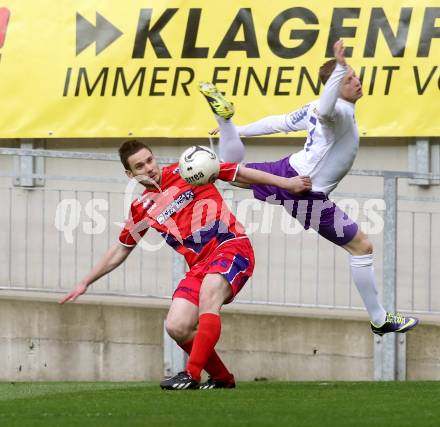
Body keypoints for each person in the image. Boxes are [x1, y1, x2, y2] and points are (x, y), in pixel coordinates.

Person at [198, 39, 418, 336]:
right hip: (305, 191)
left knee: (229, 172)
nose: (357, 81)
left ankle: (225, 126)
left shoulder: (318, 107)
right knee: (361, 247)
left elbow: (279, 122)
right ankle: (379, 319)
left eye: (354, 75)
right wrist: (339, 67)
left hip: (290, 171)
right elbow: (327, 109)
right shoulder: (335, 110)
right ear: (335, 85)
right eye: (349, 78)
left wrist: (240, 130)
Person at [59, 139, 311, 390]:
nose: (149, 168)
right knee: (177, 326)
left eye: (150, 160)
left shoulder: (188, 170)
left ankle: (191, 374)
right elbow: (121, 249)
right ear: (130, 174)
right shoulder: (142, 208)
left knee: (209, 293)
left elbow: (237, 171)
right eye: (139, 166)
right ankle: (223, 378)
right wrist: (85, 282)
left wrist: (287, 183)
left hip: (231, 245)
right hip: (200, 265)